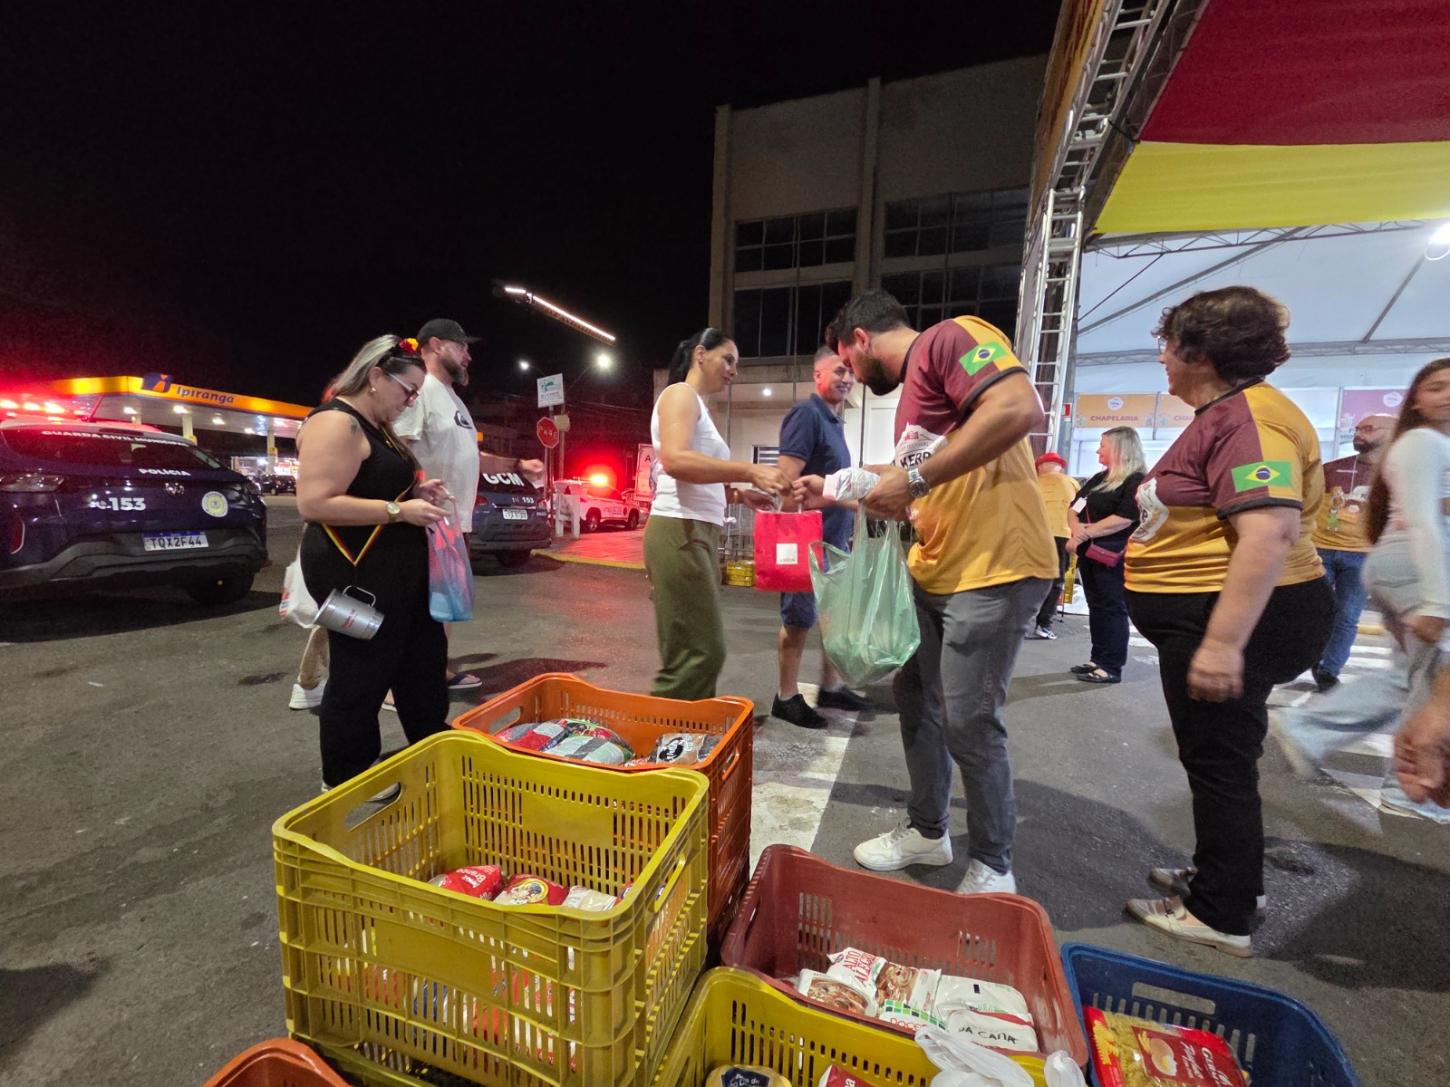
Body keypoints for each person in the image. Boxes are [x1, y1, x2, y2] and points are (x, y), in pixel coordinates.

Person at [798, 290, 1058, 894]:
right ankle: (928, 830)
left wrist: (912, 477)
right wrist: (830, 487)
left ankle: (994, 865)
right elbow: (907, 483)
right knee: (917, 698)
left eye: (849, 364)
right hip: (941, 567)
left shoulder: (947, 338)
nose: (854, 379)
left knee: (969, 718)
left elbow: (1019, 406)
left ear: (860, 340)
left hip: (994, 566)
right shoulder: (917, 396)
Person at [1121, 286, 1333, 957]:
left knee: (1218, 762)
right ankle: (1228, 878)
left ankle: (1221, 909)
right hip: (1218, 610)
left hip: (1232, 615)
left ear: (1199, 353)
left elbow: (1269, 530)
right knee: (1223, 758)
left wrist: (1221, 643)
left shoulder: (1250, 418)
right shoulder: (1231, 412)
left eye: (1169, 345)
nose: (1162, 359)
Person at [295, 335, 451, 788]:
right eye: (408, 390)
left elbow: (372, 486)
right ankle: (344, 778)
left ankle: (431, 751)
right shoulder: (335, 424)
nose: (410, 401)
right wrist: (399, 510)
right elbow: (315, 503)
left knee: (421, 661)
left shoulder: (375, 426)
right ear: (376, 376)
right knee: (361, 674)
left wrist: (415, 493)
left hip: (398, 573)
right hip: (353, 574)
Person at [392, 318, 544, 694]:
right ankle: (396, 685)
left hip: (449, 520)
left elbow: (470, 456)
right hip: (421, 517)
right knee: (412, 604)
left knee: (441, 603)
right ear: (438, 345)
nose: (468, 355)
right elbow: (399, 449)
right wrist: (413, 496)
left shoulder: (453, 398)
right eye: (463, 346)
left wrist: (517, 465)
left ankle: (435, 668)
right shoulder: (421, 390)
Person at [645, 328, 789, 700]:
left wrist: (740, 495)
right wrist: (749, 470)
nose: (734, 371)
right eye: (728, 359)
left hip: (696, 531)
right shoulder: (679, 395)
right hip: (680, 530)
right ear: (700, 354)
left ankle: (685, 735)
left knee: (697, 651)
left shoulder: (697, 405)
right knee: (699, 653)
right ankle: (663, 740)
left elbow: (698, 477)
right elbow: (676, 460)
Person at [1354, 358, 1450, 821]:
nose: (1448, 395)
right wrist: (1437, 601)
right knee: (1432, 679)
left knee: (1420, 677)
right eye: (1437, 387)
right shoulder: (1423, 442)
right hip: (1419, 568)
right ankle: (1411, 785)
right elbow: (1425, 523)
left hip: (1415, 568)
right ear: (1416, 398)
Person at [771, 346, 870, 728]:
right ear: (818, 374)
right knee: (798, 619)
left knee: (831, 618)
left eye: (851, 373)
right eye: (839, 371)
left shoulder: (833, 420)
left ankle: (830, 687)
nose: (847, 378)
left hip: (833, 539)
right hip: (808, 541)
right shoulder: (807, 414)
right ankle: (786, 696)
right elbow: (785, 480)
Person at [1306, 412, 1397, 691]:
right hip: (1321, 550)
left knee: (1347, 615)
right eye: (1358, 428)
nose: (1359, 432)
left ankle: (1328, 671)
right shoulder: (1330, 469)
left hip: (1364, 555)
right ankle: (1310, 656)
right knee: (1313, 611)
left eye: (1368, 428)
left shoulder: (1396, 474)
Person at [1064, 427, 1146, 683]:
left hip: (1112, 555)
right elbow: (1074, 507)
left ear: (1121, 449)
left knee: (1112, 607)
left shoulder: (1136, 481)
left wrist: (1083, 535)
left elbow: (1125, 518)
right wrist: (1077, 531)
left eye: (1103, 445)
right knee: (1096, 606)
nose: (1098, 450)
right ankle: (1097, 658)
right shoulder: (1099, 478)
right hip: (1089, 552)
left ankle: (1110, 666)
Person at [1026, 453, 1079, 641]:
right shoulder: (1072, 483)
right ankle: (1044, 625)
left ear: (1039, 467)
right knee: (1056, 581)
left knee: (1027, 578)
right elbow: (1081, 510)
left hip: (1033, 535)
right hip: (1062, 535)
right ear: (1060, 466)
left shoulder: (1030, 484)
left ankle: (1020, 623)